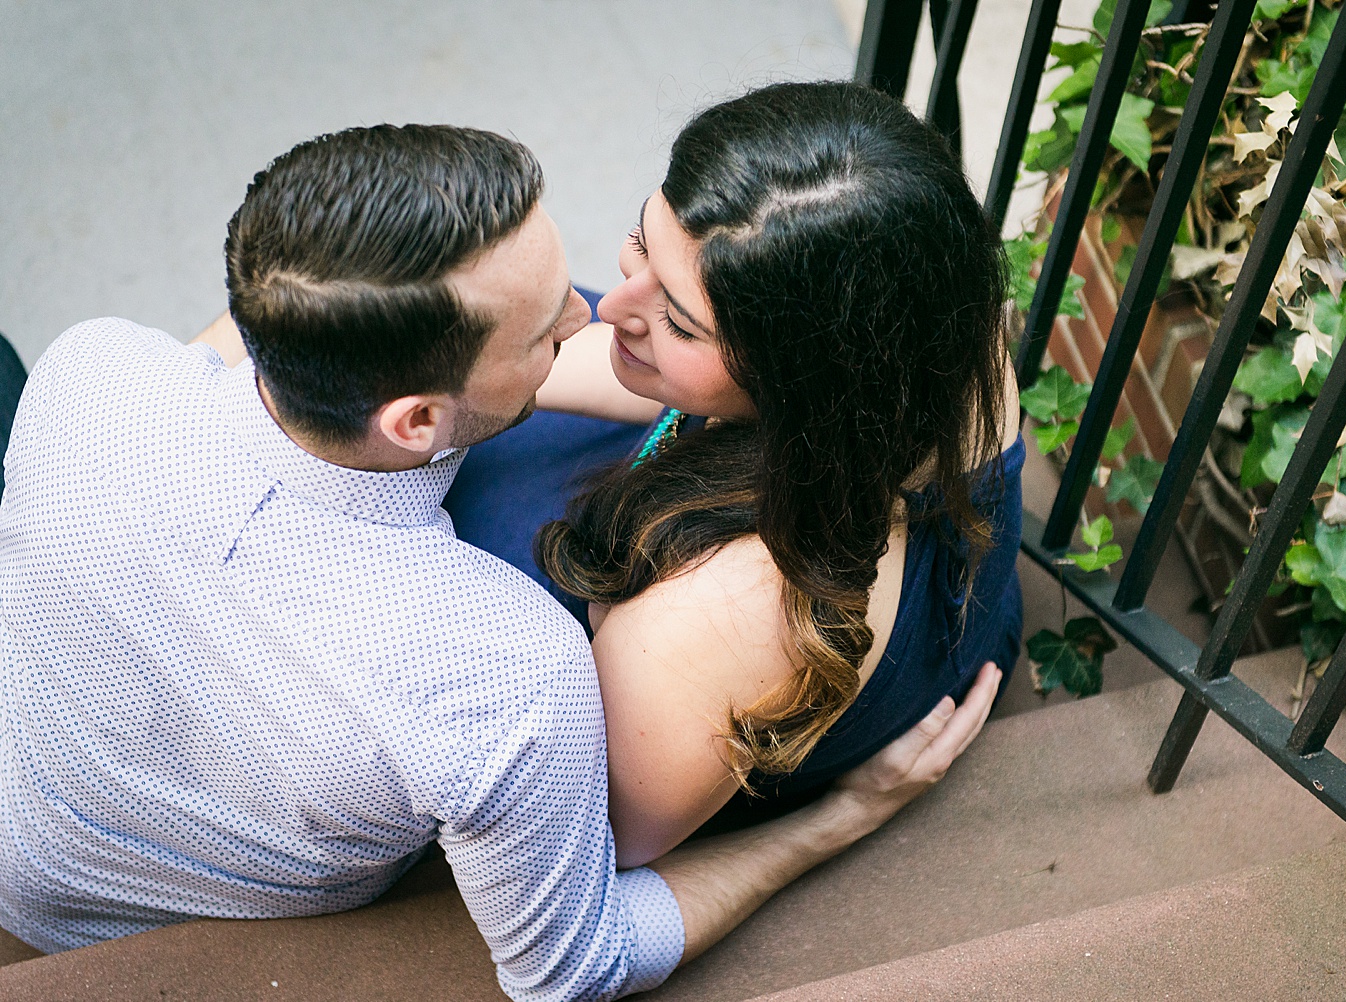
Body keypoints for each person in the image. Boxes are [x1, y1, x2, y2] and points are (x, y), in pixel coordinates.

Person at [0, 123, 1000, 1000]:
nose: (595, 314)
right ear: (419, 420)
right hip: (135, 923)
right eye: (541, 330)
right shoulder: (505, 674)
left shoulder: (87, 374)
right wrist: (835, 821)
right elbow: (572, 963)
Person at [447, 81, 1024, 868]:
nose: (612, 304)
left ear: (805, 387)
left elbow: (594, 860)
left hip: (697, 707)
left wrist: (844, 817)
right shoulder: (933, 315)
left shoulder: (717, 616)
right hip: (927, 591)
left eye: (680, 321)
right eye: (641, 241)